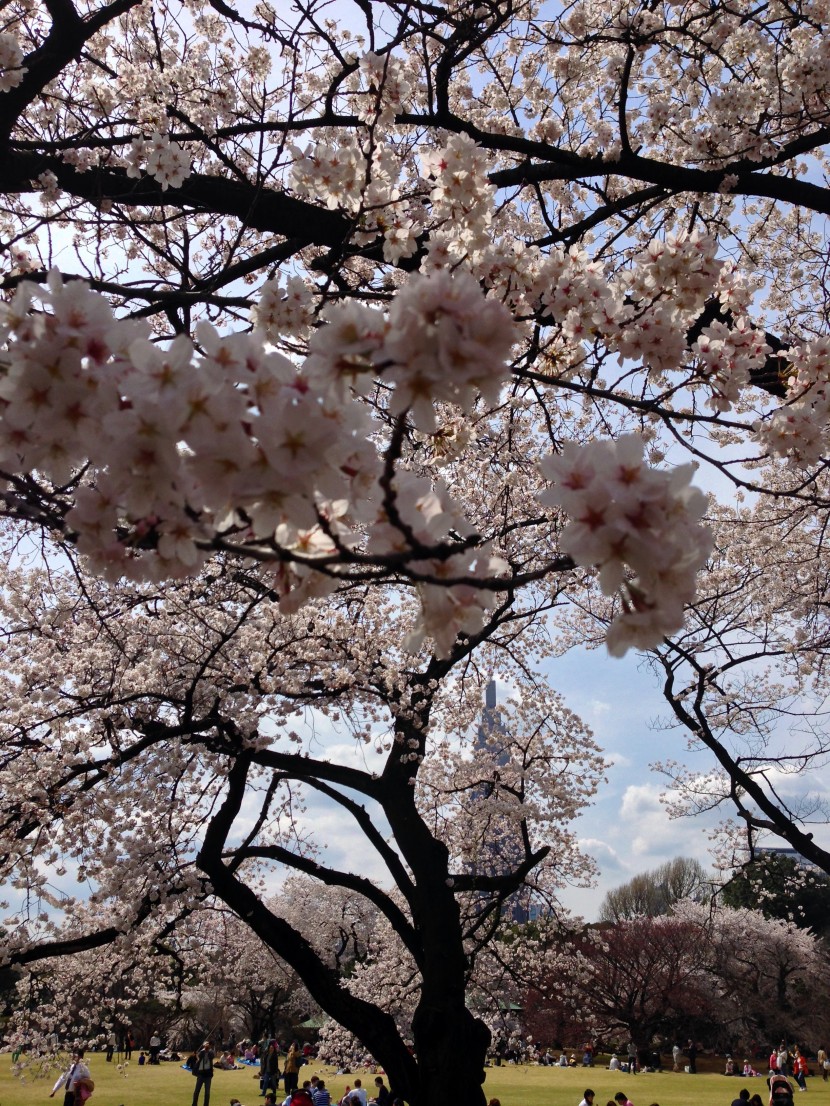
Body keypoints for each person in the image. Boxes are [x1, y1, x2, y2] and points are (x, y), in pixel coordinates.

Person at [192, 1041, 215, 1106]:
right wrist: (204, 1049)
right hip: (201, 1074)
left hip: (208, 1075)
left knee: (207, 1092)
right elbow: (199, 1055)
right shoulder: (202, 1052)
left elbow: (212, 1056)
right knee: (196, 1091)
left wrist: (208, 1050)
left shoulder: (211, 1053)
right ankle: (194, 1104)